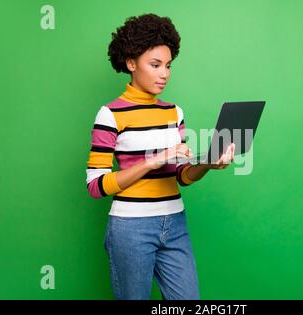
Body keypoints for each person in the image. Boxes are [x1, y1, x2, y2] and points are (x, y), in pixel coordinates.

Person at [85, 13, 235, 300]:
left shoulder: (173, 112)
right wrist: (153, 160)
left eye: (168, 65)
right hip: (131, 228)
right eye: (154, 65)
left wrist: (206, 164)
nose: (164, 73)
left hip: (175, 222)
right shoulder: (110, 114)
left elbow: (181, 175)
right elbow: (95, 185)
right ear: (131, 63)